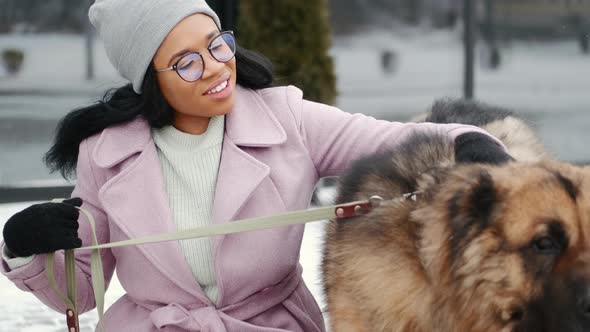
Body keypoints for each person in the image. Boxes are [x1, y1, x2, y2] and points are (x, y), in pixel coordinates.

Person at [0, 0, 512, 331]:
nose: (217, 67)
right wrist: (25, 246)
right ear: (150, 80)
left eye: (216, 43)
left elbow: (398, 141)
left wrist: (469, 143)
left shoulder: (287, 118)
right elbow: (84, 291)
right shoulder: (105, 152)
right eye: (186, 62)